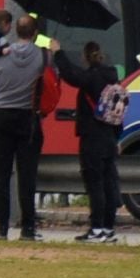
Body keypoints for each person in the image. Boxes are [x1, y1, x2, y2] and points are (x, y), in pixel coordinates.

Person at [0, 13, 49, 241]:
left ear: (16, 31)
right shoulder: (42, 56)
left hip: (2, 116)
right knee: (27, 175)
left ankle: (1, 227)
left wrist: (0, 89)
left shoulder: (1, 54)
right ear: (35, 33)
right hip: (28, 118)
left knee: (1, 173)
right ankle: (28, 228)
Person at [51, 38, 122, 244]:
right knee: (109, 183)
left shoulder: (91, 78)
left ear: (85, 57)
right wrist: (117, 137)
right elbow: (117, 112)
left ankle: (96, 229)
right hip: (110, 137)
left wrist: (58, 52)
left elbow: (70, 75)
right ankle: (108, 228)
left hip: (92, 137)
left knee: (95, 184)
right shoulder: (113, 79)